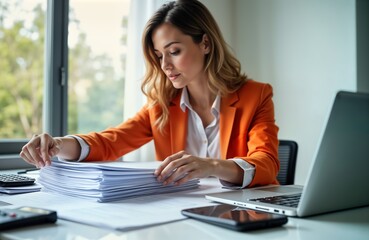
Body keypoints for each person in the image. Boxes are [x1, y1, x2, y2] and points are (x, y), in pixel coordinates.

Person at [20, 0, 279, 188]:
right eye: (158, 56)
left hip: (243, 214)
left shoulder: (255, 95)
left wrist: (211, 165)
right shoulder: (163, 105)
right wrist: (58, 144)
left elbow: (266, 163)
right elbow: (111, 141)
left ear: (206, 43)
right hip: (180, 215)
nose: (165, 65)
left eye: (174, 51)